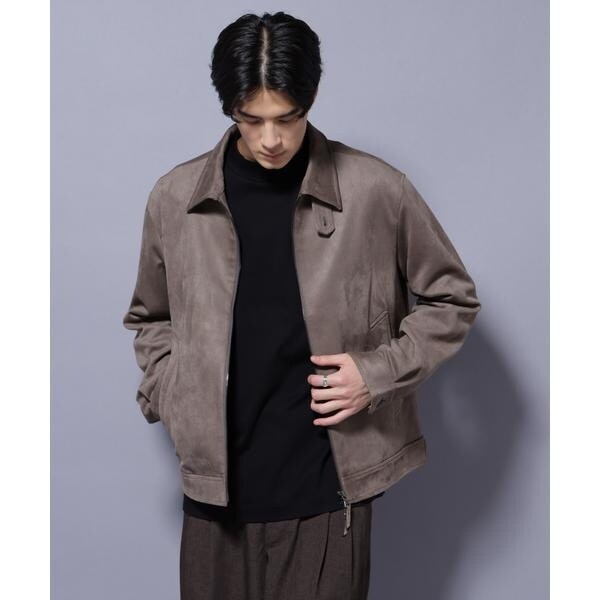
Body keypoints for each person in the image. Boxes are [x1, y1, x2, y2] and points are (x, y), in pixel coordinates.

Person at [122, 11, 481, 600]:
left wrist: (377, 373)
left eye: (287, 118)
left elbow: (452, 298)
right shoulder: (175, 199)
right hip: (215, 495)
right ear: (229, 109)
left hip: (326, 491)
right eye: (252, 119)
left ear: (310, 100)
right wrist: (177, 397)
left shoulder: (375, 188)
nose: (271, 139)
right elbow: (150, 318)